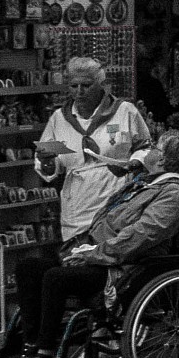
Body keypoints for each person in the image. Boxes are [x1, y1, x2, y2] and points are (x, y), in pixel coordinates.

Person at [0, 132, 179, 358]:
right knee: (28, 267)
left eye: (153, 147)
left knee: (55, 278)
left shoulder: (174, 193)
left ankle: (44, 357)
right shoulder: (147, 182)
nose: (146, 150)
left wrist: (93, 253)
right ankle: (29, 347)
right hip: (96, 252)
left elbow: (141, 235)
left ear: (162, 159)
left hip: (123, 267)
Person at [34, 56, 153, 244]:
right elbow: (48, 163)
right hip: (77, 202)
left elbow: (145, 147)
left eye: (86, 85)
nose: (79, 92)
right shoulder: (59, 118)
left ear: (101, 84)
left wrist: (134, 162)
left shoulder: (124, 111)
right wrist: (47, 161)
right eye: (74, 86)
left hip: (116, 196)